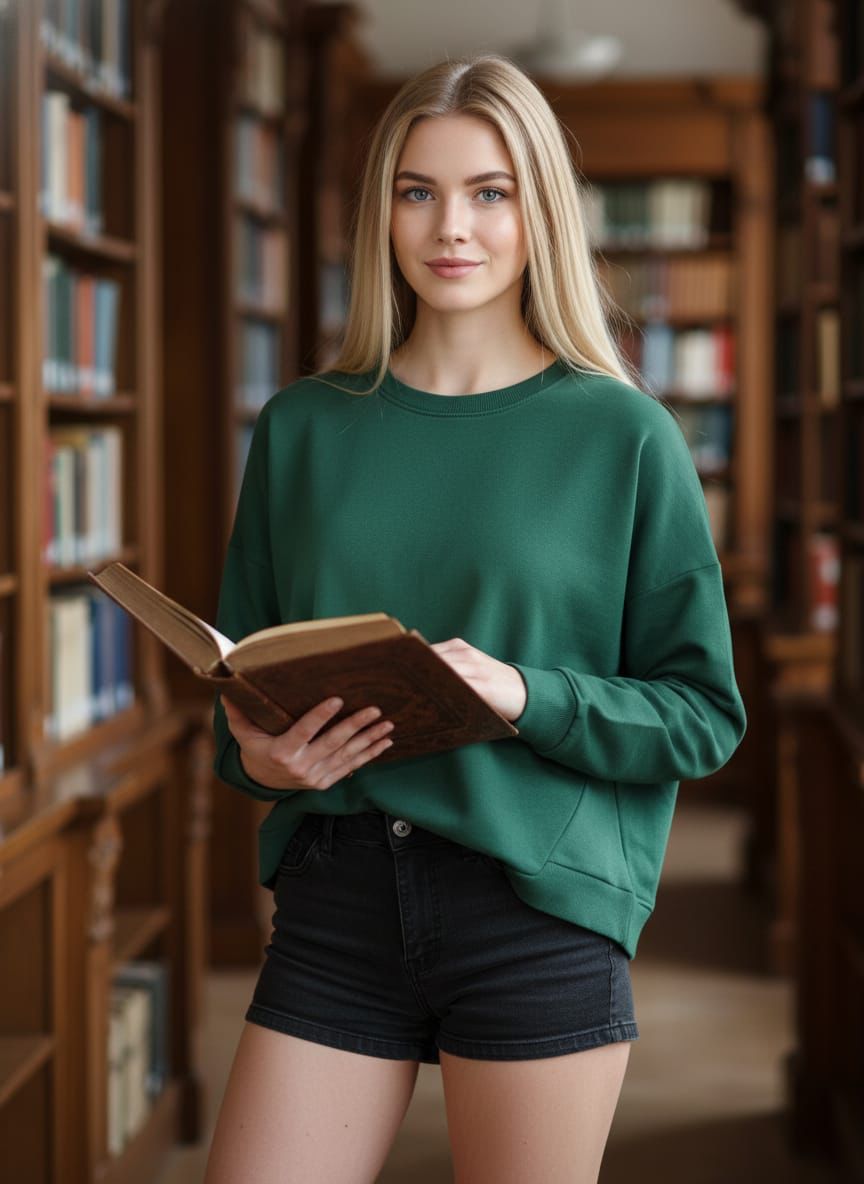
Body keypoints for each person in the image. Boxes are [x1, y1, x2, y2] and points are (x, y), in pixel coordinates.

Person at [203, 53, 747, 1184]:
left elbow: (701, 715)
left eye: (489, 192)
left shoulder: (623, 435)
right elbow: (239, 675)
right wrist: (258, 755)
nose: (451, 226)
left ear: (538, 211)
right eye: (419, 191)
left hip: (533, 903)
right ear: (382, 212)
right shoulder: (302, 427)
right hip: (337, 895)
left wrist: (526, 694)